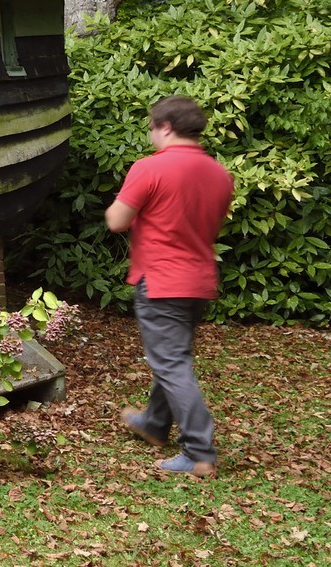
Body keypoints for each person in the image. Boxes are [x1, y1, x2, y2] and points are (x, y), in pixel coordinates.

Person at [104, 94, 234, 478]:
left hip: (161, 280)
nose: (152, 136)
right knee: (173, 358)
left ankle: (199, 452)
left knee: (171, 363)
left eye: (152, 129)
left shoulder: (150, 168)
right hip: (199, 280)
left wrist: (121, 204)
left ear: (165, 127)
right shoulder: (218, 174)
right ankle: (154, 424)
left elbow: (117, 220)